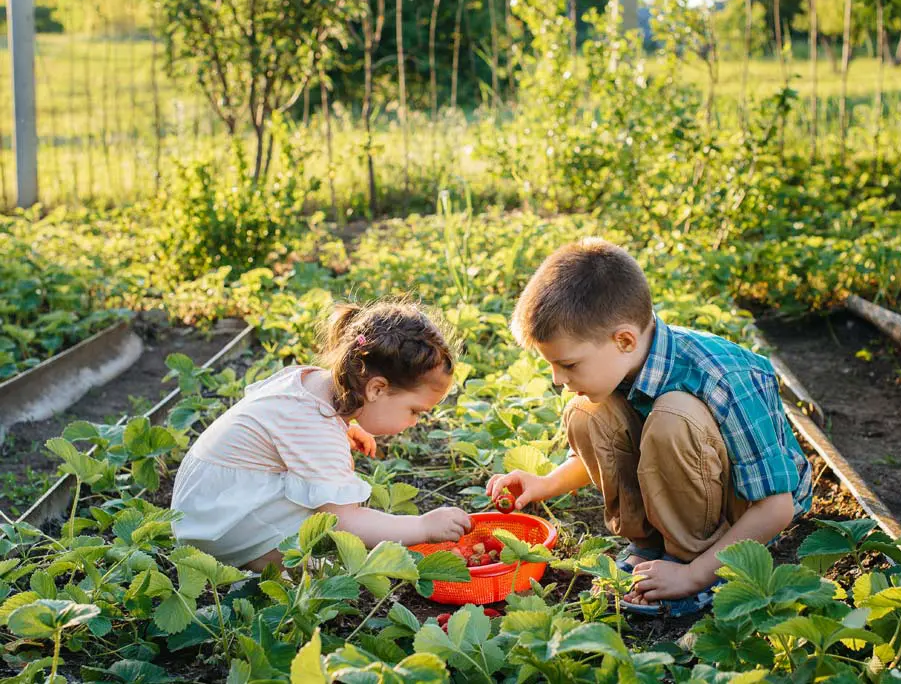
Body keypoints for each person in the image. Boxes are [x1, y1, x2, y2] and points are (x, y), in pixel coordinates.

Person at [487, 238, 812, 616]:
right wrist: (544, 483)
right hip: (691, 489)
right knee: (588, 412)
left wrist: (694, 574)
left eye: (569, 365)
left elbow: (776, 508)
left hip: (749, 513)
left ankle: (697, 563)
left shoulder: (723, 376)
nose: (558, 379)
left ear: (624, 339)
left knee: (674, 416)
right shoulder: (622, 362)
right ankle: (651, 547)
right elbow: (609, 452)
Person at [171, 300, 471, 571]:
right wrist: (422, 526)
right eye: (414, 411)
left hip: (202, 507)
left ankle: (264, 551)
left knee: (314, 488)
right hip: (216, 530)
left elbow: (281, 429)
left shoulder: (310, 382)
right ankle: (266, 559)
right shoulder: (317, 426)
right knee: (324, 514)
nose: (416, 422)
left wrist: (347, 427)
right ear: (377, 389)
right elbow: (346, 522)